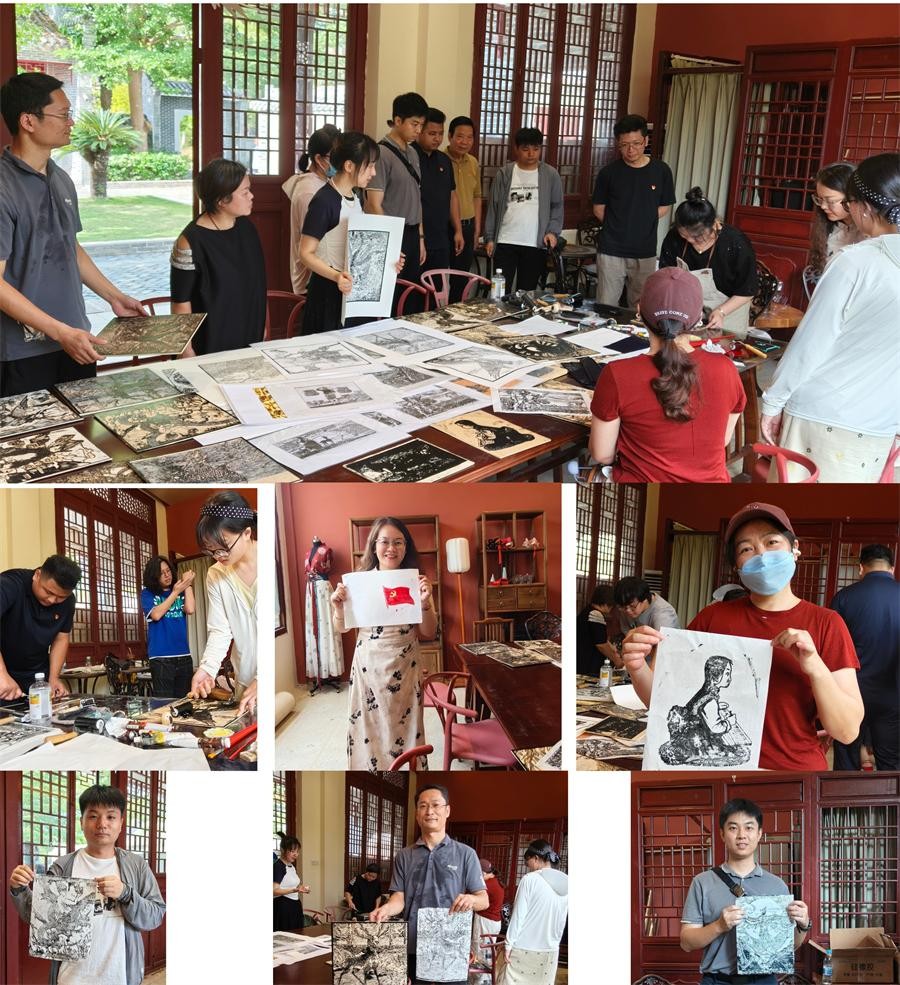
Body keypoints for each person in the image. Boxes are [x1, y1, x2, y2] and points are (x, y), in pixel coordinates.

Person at [622, 502, 864, 770]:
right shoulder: (712, 618)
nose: (761, 555)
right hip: (717, 773)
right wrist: (637, 668)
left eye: (772, 542)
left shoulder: (827, 624)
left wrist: (815, 667)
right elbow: (663, 700)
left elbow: (847, 732)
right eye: (746, 549)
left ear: (795, 548)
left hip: (793, 776)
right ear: (737, 566)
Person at [0, 72, 146, 397]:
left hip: (77, 340)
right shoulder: (3, 187)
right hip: (23, 351)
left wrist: (114, 296)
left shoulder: (61, 179)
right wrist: (58, 331)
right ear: (28, 121)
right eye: (63, 114)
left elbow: (69, 247)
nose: (71, 122)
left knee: (83, 424)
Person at [760, 152, 900, 482]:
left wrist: (773, 402)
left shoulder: (856, 261)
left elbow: (811, 343)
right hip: (881, 418)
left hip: (823, 411)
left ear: (865, 207)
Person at [590, 267, 746, 482]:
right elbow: (722, 440)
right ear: (698, 319)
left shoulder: (618, 374)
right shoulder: (726, 368)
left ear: (639, 311)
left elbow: (603, 455)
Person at [8, 784, 165, 985]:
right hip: (71, 978)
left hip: (119, 977)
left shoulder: (136, 865)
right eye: (93, 816)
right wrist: (20, 888)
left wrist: (126, 893)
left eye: (110, 817)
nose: (102, 824)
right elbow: (40, 918)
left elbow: (155, 916)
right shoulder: (63, 866)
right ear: (81, 822)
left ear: (121, 823)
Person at [331, 517, 437, 771]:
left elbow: (429, 631)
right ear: (374, 545)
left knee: (407, 725)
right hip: (368, 665)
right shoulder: (358, 582)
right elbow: (342, 628)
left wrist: (425, 603)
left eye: (398, 542)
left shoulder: (415, 582)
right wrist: (338, 608)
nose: (391, 548)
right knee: (369, 726)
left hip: (406, 664)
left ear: (406, 547)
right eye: (385, 541)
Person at [680, 798, 810, 985]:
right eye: (733, 828)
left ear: (759, 834)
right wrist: (719, 926)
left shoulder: (777, 885)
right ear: (722, 834)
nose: (741, 835)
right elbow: (686, 943)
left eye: (749, 828)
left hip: (763, 981)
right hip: (717, 981)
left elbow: (787, 946)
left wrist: (803, 925)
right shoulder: (702, 882)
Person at [370, 784, 489, 985]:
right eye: (423, 806)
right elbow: (398, 898)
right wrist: (386, 909)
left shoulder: (466, 854)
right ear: (417, 814)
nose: (429, 811)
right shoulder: (404, 856)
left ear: (447, 810)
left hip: (451, 947)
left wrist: (470, 899)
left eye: (435, 805)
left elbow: (483, 900)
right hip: (413, 945)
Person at [300, 131, 403, 335]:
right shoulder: (324, 201)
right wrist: (336, 276)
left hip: (352, 291)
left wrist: (388, 259)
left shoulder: (354, 197)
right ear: (349, 166)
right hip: (329, 291)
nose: (373, 173)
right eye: (369, 166)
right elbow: (305, 253)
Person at [170, 157, 267, 356]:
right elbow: (180, 302)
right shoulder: (190, 242)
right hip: (209, 342)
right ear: (222, 200)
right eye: (245, 192)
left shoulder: (247, 228)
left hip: (249, 333)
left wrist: (264, 324)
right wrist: (186, 351)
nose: (252, 196)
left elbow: (259, 283)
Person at [592, 114, 675, 307]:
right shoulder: (608, 173)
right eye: (624, 145)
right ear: (618, 144)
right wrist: (619, 223)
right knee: (606, 306)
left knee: (640, 308)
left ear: (645, 141)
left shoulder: (661, 171)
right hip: (611, 250)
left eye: (636, 143)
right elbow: (598, 209)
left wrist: (641, 220)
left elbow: (665, 206)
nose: (631, 150)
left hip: (645, 250)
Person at [829, 544, 899, 771]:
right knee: (892, 763)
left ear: (861, 568)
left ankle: (843, 795)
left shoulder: (844, 598)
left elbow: (832, 649)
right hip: (894, 693)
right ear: (892, 568)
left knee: (846, 760)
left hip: (850, 692)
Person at [191, 491, 258, 716]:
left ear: (246, 533)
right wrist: (207, 668)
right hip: (244, 681)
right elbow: (220, 630)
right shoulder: (216, 574)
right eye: (210, 550)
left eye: (223, 547)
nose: (217, 555)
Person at [659, 187, 758, 337]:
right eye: (685, 236)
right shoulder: (674, 238)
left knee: (722, 348)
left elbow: (748, 290)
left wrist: (721, 312)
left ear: (714, 225)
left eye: (697, 237)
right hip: (688, 308)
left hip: (729, 311)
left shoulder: (736, 243)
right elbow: (666, 277)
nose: (690, 241)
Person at [365, 92, 429, 307]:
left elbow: (416, 198)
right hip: (392, 233)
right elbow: (373, 204)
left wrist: (420, 237)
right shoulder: (381, 153)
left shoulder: (413, 153)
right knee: (390, 296)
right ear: (398, 120)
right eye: (414, 124)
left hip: (412, 233)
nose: (418, 130)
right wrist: (390, 242)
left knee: (410, 296)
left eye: (421, 125)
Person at [484, 127, 563, 292]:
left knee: (526, 294)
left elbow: (557, 206)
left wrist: (552, 232)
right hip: (505, 241)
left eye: (536, 149)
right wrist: (490, 238)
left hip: (535, 243)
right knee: (499, 293)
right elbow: (493, 207)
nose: (531, 154)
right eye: (526, 149)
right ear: (516, 149)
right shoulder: (504, 173)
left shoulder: (550, 174)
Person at [0, 554, 80, 700]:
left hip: (36, 675)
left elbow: (61, 638)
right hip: (3, 668)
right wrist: (1, 674)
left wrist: (54, 678)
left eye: (61, 597)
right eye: (49, 592)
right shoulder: (10, 584)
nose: (52, 600)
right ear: (37, 575)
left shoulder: (68, 602)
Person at [496, 840, 568, 985]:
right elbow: (561, 922)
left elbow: (518, 916)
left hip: (524, 947)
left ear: (536, 858)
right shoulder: (566, 884)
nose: (527, 866)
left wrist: (509, 944)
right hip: (550, 951)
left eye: (527, 861)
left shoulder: (530, 880)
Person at [282, 125, 341, 297]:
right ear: (319, 159)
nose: (339, 162)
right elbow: (314, 239)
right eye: (334, 157)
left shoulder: (323, 182)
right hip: (311, 278)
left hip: (324, 273)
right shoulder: (308, 191)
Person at [415, 108, 464, 275]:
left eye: (440, 133)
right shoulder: (409, 157)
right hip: (417, 239)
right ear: (419, 131)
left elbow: (452, 195)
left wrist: (458, 230)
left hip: (441, 238)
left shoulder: (444, 160)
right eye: (432, 133)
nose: (437, 138)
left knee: (437, 286)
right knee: (414, 287)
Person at [141, 556, 195, 699]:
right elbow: (156, 615)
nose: (167, 575)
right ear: (154, 576)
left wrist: (187, 584)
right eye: (161, 573)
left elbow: (190, 609)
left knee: (184, 702)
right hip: (161, 658)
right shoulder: (147, 593)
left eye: (168, 571)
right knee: (163, 703)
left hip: (183, 655)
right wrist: (175, 592)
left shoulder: (181, 590)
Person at [445, 116, 482, 297]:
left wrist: (477, 229)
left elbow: (477, 196)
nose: (464, 142)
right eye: (460, 136)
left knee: (460, 279)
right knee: (436, 278)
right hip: (444, 227)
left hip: (468, 226)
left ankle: (456, 312)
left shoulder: (473, 162)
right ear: (450, 136)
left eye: (469, 137)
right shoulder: (440, 160)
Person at [807, 161, 863, 281]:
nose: (823, 206)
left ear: (852, 197)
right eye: (820, 199)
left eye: (830, 201)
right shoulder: (832, 228)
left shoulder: (867, 233)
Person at [575, 584, 621, 675]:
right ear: (607, 603)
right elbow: (601, 644)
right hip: (588, 661)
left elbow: (600, 637)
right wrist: (617, 661)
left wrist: (613, 649)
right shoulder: (595, 614)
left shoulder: (587, 610)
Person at [614, 577, 680, 638]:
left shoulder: (663, 614)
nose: (628, 611)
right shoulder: (626, 606)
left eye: (632, 606)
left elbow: (662, 643)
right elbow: (627, 632)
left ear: (645, 599)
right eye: (623, 607)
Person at [471, 859, 504, 976]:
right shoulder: (495, 881)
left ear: (482, 873)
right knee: (488, 949)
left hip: (485, 921)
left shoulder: (487, 885)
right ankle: (487, 976)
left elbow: (475, 902)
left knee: (481, 949)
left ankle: (481, 978)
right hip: (494, 922)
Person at [273, 832, 310, 931]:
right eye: (292, 851)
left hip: (295, 905)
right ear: (283, 850)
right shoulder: (278, 866)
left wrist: (301, 888)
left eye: (297, 851)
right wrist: (294, 890)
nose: (296, 854)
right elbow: (274, 891)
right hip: (283, 906)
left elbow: (290, 885)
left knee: (297, 935)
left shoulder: (291, 866)